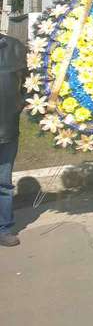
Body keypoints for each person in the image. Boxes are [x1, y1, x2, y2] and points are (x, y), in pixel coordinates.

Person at [0, 33, 25, 247]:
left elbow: (29, 85)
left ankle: (4, 228)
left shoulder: (14, 47)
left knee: (4, 184)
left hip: (6, 129)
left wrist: (18, 106)